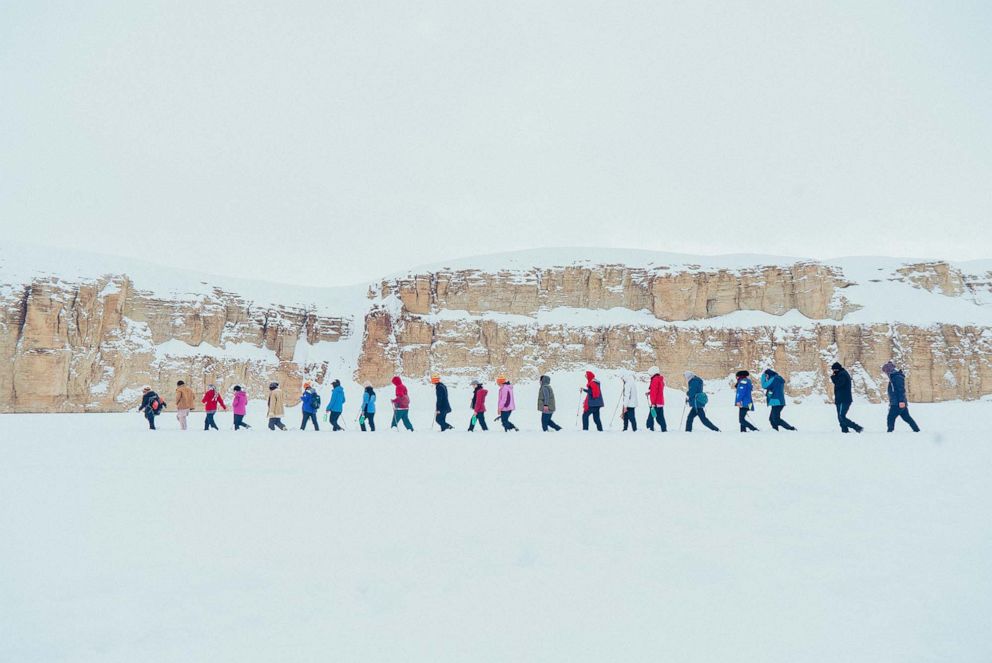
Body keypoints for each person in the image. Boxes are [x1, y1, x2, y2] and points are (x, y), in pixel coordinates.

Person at [883, 361, 920, 432]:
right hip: (897, 402)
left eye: (885, 371)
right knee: (906, 418)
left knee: (890, 417)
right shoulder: (893, 377)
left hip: (898, 402)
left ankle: (889, 432)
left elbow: (901, 390)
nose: (885, 373)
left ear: (888, 370)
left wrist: (901, 401)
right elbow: (894, 392)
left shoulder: (897, 377)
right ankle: (917, 430)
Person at [830, 362, 862, 433]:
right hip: (840, 399)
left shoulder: (843, 374)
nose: (833, 372)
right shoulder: (841, 374)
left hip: (844, 399)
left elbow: (839, 384)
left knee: (841, 416)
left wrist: (833, 377)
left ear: (836, 369)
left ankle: (857, 427)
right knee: (840, 416)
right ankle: (844, 430)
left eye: (834, 370)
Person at [644, 366, 667, 432]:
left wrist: (653, 403)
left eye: (650, 373)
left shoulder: (655, 380)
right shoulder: (660, 379)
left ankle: (649, 429)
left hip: (656, 403)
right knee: (660, 418)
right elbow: (657, 391)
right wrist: (649, 393)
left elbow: (654, 393)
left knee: (650, 418)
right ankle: (664, 429)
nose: (649, 375)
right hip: (660, 402)